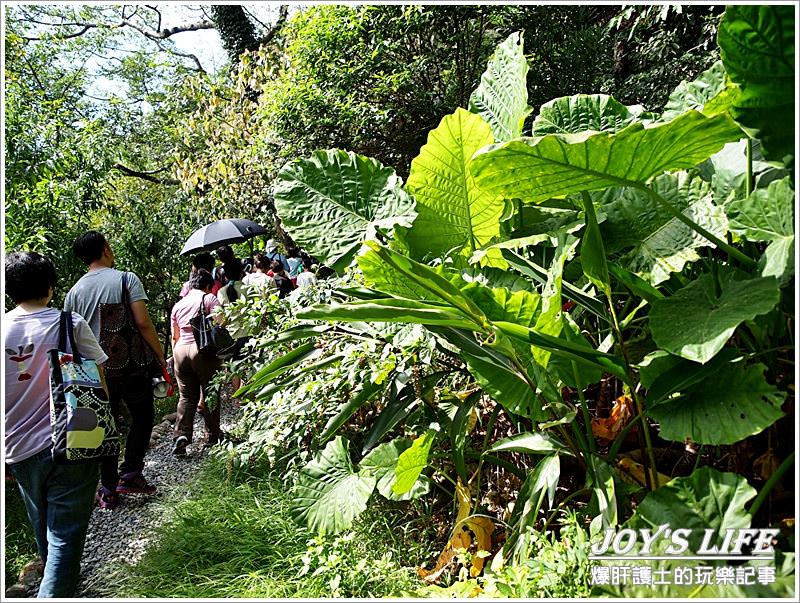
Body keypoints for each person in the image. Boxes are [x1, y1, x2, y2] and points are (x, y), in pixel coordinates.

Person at [4, 251, 108, 597]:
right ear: (50, 286)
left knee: (44, 527)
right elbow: (99, 379)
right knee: (64, 535)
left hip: (17, 447)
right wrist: (105, 431)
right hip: (74, 440)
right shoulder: (69, 323)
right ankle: (57, 590)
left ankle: (62, 583)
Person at [64, 231, 166, 510]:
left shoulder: (73, 294)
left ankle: (108, 489)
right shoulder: (125, 279)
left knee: (106, 426)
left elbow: (70, 340)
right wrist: (159, 354)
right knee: (143, 417)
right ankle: (130, 472)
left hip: (93, 372)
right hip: (130, 366)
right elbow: (143, 323)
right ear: (106, 249)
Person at [170, 269, 223, 455]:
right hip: (201, 350)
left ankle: (181, 436)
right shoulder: (209, 299)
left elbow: (174, 335)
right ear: (208, 286)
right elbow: (220, 322)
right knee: (210, 392)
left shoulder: (178, 305)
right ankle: (212, 437)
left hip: (180, 352)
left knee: (186, 396)